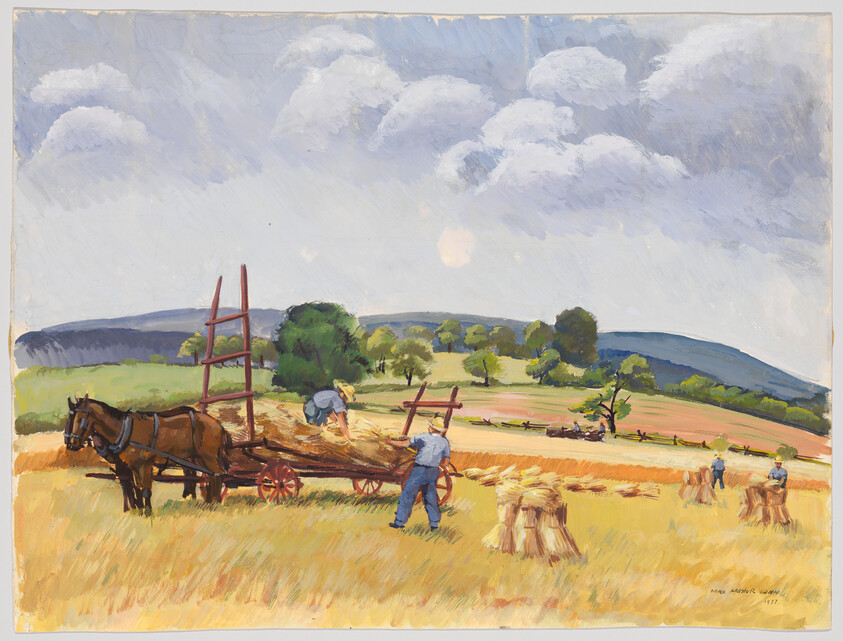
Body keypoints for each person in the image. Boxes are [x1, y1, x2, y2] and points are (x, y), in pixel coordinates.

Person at [386, 417, 451, 532]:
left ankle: (399, 522)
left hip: (420, 470)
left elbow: (406, 443)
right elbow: (446, 459)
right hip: (433, 471)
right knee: (430, 496)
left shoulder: (424, 437)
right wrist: (442, 468)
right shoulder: (444, 441)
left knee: (408, 494)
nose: (428, 428)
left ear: (431, 428)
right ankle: (434, 523)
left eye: (430, 426)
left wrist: (391, 442)